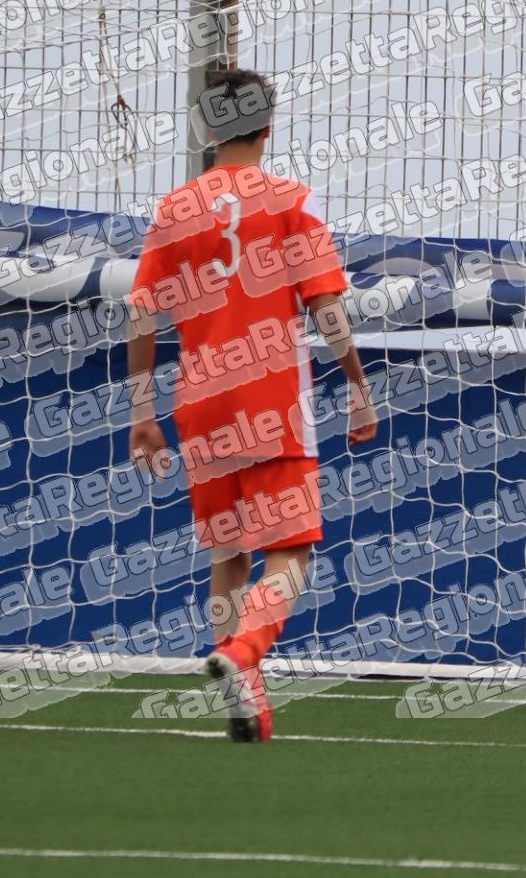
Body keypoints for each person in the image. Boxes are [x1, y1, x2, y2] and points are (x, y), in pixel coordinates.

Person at [127, 68, 377, 742]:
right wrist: (357, 385)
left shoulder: (176, 209)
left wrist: (142, 413)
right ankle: (244, 652)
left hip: (200, 402)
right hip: (273, 401)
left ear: (208, 128)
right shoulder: (292, 200)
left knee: (228, 553)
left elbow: (142, 314)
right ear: (269, 126)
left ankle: (247, 696)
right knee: (290, 551)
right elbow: (325, 307)